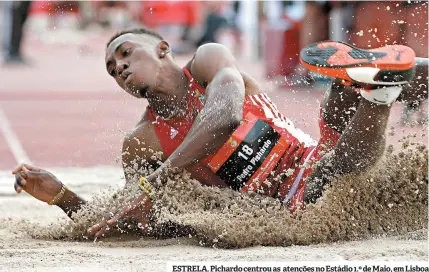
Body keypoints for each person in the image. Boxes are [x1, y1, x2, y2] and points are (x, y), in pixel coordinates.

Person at [12, 28, 428, 238]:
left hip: (314, 155)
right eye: (111, 68)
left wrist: (159, 177)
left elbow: (225, 117)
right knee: (336, 172)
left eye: (125, 53)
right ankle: (382, 91)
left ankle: (383, 81)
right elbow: (140, 221)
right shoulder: (141, 142)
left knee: (343, 88)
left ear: (162, 50)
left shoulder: (208, 62)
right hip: (293, 202)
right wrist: (63, 197)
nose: (118, 67)